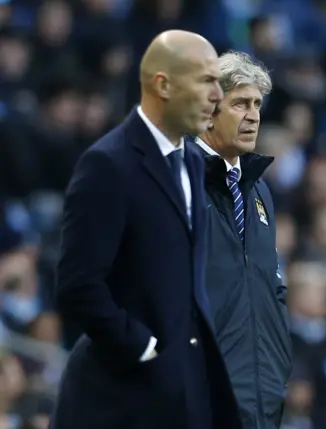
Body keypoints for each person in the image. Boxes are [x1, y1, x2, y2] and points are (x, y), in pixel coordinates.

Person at [52, 31, 242, 429]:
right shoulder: (107, 164)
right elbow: (77, 285)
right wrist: (143, 348)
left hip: (185, 391)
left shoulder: (192, 160)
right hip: (122, 399)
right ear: (163, 85)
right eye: (205, 80)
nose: (217, 96)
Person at [188, 51, 293, 429]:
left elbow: (271, 288)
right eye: (240, 104)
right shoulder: (177, 180)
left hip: (260, 396)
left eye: (258, 104)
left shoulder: (259, 190)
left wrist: (279, 367)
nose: (253, 115)